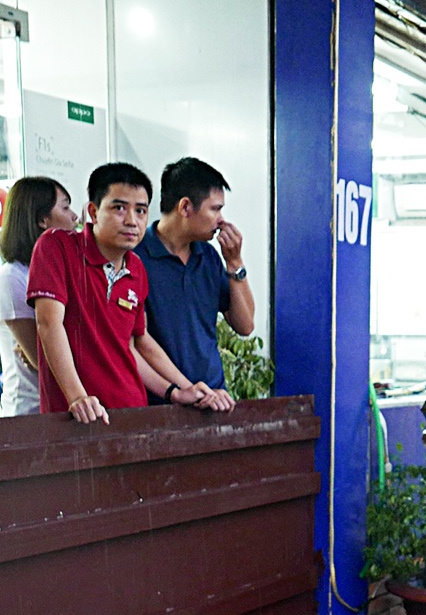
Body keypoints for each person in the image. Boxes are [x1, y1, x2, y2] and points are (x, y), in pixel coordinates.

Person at [26, 162, 231, 424]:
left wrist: (177, 390)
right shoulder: (56, 247)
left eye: (141, 210)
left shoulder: (136, 269)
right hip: (76, 417)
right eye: (119, 208)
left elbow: (134, 344)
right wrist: (77, 397)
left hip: (131, 412)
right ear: (93, 211)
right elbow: (49, 323)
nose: (132, 221)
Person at [136, 157, 256, 401]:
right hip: (159, 402)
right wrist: (183, 389)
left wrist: (235, 263)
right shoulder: (136, 257)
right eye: (215, 209)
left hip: (214, 397)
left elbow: (245, 326)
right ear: (185, 207)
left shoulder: (208, 256)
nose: (221, 219)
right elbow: (138, 341)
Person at [0, 177, 77, 417]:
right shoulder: (11, 278)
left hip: (65, 408)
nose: (74, 217)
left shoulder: (61, 272)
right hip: (30, 412)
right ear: (41, 220)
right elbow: (42, 359)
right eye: (65, 207)